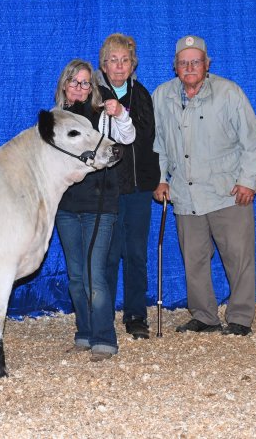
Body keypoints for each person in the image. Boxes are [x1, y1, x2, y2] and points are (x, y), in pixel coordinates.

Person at [152, 36, 256, 336]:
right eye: (183, 62)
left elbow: (252, 142)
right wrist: (160, 178)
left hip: (227, 193)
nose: (189, 67)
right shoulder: (161, 96)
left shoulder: (229, 93)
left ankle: (240, 317)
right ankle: (204, 316)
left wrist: (247, 181)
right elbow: (158, 144)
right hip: (185, 194)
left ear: (207, 64)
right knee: (194, 260)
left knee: (238, 258)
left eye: (196, 62)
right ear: (175, 67)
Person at [54, 59, 135, 361]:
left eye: (85, 83)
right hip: (66, 206)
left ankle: (105, 339)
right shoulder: (55, 120)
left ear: (92, 88)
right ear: (65, 85)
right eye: (74, 81)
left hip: (100, 204)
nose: (79, 87)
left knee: (94, 274)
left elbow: (127, 137)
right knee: (76, 276)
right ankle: (85, 333)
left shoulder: (102, 117)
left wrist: (121, 114)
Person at [96, 33, 160, 340]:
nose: (119, 66)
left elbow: (148, 136)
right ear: (104, 65)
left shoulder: (142, 95)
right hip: (107, 190)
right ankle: (103, 315)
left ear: (133, 65)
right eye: (113, 60)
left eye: (125, 60)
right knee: (108, 255)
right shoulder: (94, 96)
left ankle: (136, 315)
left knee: (136, 253)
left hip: (138, 189)